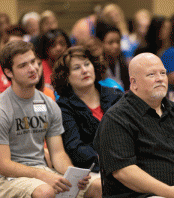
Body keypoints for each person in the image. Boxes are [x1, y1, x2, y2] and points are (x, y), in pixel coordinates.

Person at [93, 52, 174, 198]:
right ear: (134, 83)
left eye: (163, 73)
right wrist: (167, 192)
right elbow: (123, 171)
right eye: (151, 75)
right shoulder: (117, 118)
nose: (160, 79)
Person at [0, 40, 101, 198]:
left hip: (42, 172)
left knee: (97, 186)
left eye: (34, 62)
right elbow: (3, 165)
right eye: (23, 65)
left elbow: (58, 154)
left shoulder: (48, 103)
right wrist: (42, 175)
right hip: (7, 178)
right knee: (45, 191)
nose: (32, 69)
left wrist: (72, 176)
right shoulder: (2, 108)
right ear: (8, 72)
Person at [52, 46, 123, 174]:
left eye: (87, 64)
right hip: (94, 169)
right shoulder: (64, 107)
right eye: (77, 68)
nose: (84, 70)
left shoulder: (116, 95)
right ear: (66, 77)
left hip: (128, 160)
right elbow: (74, 147)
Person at [96, 21, 129, 91]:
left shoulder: (123, 63)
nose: (116, 46)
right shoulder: (97, 66)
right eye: (110, 42)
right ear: (100, 43)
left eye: (118, 42)